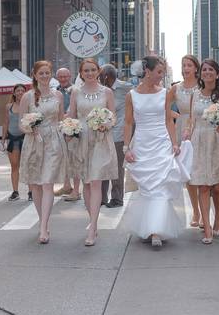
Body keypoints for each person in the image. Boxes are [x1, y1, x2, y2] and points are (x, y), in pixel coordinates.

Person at [122, 55, 188, 248]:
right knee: (148, 189)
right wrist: (127, 148)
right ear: (147, 72)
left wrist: (174, 143)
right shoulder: (131, 95)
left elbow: (168, 119)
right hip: (142, 143)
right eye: (159, 72)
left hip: (161, 143)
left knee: (160, 186)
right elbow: (128, 122)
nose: (161, 75)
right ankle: (149, 227)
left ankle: (156, 230)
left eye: (163, 72)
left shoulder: (165, 93)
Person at [68, 58, 118, 246]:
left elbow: (113, 116)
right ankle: (93, 221)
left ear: (98, 72)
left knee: (96, 181)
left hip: (100, 140)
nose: (89, 73)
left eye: (92, 70)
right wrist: (69, 130)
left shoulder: (107, 92)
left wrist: (105, 125)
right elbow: (71, 116)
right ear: (81, 73)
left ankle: (92, 227)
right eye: (86, 70)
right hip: (82, 140)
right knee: (86, 185)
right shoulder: (75, 92)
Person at [187, 59, 219, 245]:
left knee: (216, 186)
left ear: (217, 74)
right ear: (200, 74)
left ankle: (218, 218)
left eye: (211, 70)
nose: (207, 72)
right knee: (202, 185)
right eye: (204, 69)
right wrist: (186, 135)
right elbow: (192, 120)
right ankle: (206, 227)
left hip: (218, 141)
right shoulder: (194, 95)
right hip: (199, 141)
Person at [18, 60, 68, 244]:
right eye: (42, 73)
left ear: (51, 73)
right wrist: (30, 128)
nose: (45, 76)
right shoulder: (27, 97)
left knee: (47, 183)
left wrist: (70, 128)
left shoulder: (58, 96)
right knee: (36, 185)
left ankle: (43, 227)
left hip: (54, 142)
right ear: (35, 74)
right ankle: (43, 222)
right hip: (34, 142)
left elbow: (61, 119)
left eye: (48, 73)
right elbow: (21, 125)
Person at [168, 54, 201, 227]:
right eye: (183, 65)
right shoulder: (176, 88)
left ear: (196, 68)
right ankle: (196, 212)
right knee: (189, 172)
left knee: (200, 171)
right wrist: (177, 116)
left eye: (189, 65)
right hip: (182, 129)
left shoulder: (203, 86)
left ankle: (204, 211)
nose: (186, 68)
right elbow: (162, 106)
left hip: (201, 128)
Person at [101, 64, 131, 208]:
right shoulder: (101, 90)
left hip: (119, 134)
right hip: (102, 134)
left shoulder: (125, 88)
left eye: (101, 76)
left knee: (117, 168)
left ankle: (117, 198)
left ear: (108, 77)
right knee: (103, 166)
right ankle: (101, 197)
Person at [53, 67, 79, 202]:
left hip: (73, 129)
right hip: (59, 129)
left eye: (65, 76)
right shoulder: (55, 91)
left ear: (70, 77)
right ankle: (66, 185)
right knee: (63, 159)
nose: (63, 79)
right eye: (60, 77)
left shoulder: (76, 90)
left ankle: (76, 190)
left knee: (74, 160)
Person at [2, 84, 29, 201]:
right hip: (12, 139)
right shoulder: (9, 106)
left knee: (27, 166)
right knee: (14, 166)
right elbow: (5, 123)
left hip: (26, 138)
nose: (20, 92)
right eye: (17, 91)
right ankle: (15, 191)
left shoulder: (29, 106)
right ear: (14, 93)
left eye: (22, 90)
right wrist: (3, 139)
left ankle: (31, 191)